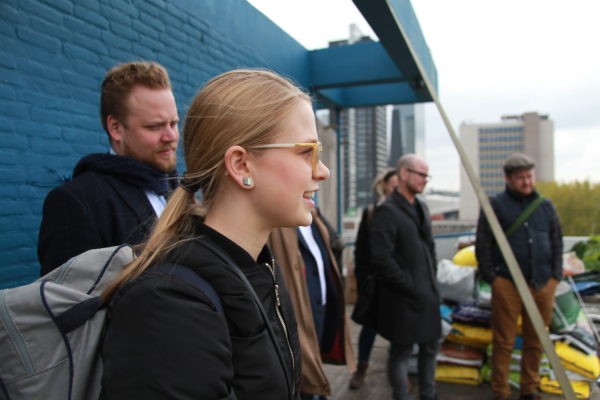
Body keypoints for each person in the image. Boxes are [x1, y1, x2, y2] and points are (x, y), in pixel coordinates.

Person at [100, 68, 330, 399]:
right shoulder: (168, 305)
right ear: (241, 165)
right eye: (306, 151)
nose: (322, 170)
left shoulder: (261, 268)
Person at [38, 61, 180, 275]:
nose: (171, 137)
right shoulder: (77, 202)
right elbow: (68, 304)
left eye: (174, 123)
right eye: (155, 126)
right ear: (116, 128)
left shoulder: (176, 188)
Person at [475, 153, 562, 400]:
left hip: (542, 282)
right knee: (503, 341)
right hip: (507, 284)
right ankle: (501, 391)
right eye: (521, 178)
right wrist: (493, 278)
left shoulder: (546, 206)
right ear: (508, 179)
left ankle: (529, 388)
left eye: (529, 177)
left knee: (537, 340)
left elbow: (556, 242)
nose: (526, 182)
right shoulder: (495, 205)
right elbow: (484, 244)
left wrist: (554, 278)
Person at [369, 154, 440, 400]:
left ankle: (429, 395)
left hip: (427, 293)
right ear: (404, 174)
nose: (425, 180)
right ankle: (402, 396)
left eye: (426, 175)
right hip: (403, 298)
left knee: (430, 347)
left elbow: (429, 247)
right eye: (421, 174)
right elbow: (381, 259)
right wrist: (410, 286)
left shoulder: (421, 207)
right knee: (401, 351)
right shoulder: (386, 211)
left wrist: (431, 279)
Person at [269, 209, 356, 400]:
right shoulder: (276, 221)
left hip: (320, 310)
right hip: (296, 319)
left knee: (314, 368)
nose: (321, 177)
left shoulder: (313, 218)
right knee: (303, 378)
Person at [349, 167, 398, 389]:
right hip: (375, 282)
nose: (396, 188)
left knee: (400, 328)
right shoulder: (371, 213)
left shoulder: (407, 213)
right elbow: (360, 250)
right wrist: (362, 280)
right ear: (384, 185)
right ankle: (361, 368)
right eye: (393, 184)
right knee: (369, 326)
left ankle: (398, 371)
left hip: (397, 282)